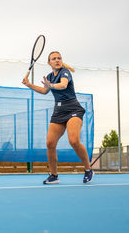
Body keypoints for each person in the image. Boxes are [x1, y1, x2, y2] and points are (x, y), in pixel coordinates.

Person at [22, 51, 94, 184]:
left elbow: (63, 85)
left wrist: (52, 85)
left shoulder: (65, 72)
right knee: (50, 143)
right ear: (49, 63)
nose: (57, 60)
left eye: (59, 58)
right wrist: (29, 84)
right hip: (59, 111)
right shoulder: (50, 76)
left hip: (73, 109)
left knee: (74, 141)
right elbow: (44, 91)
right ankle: (54, 176)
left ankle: (88, 169)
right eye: (54, 59)